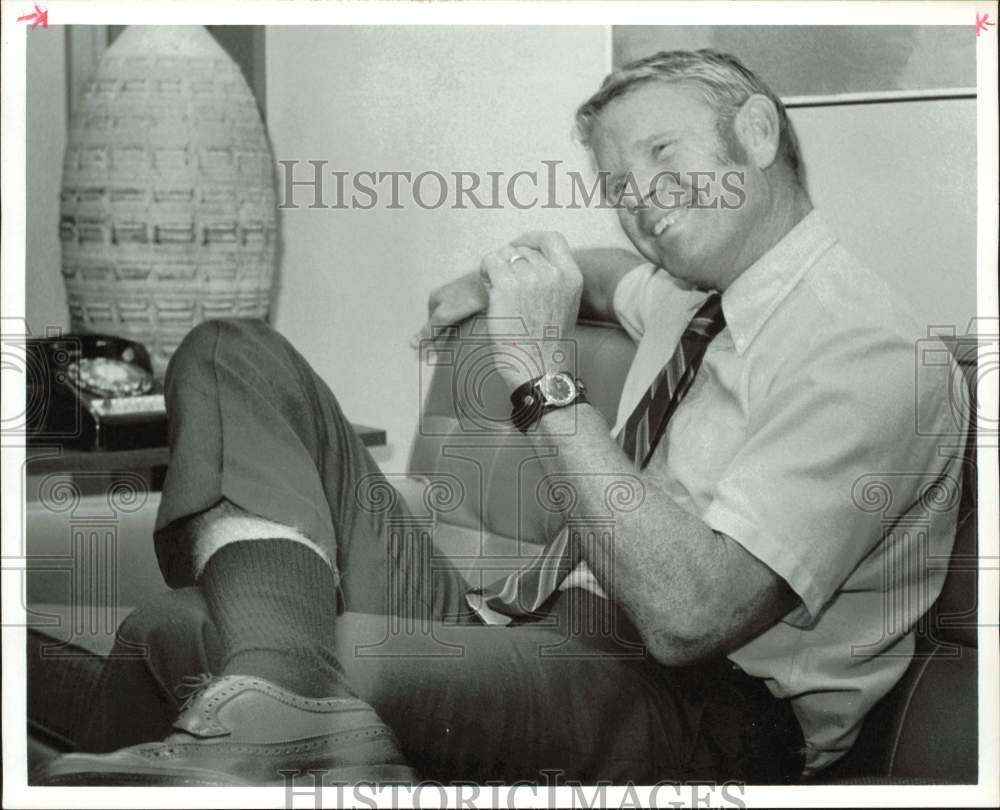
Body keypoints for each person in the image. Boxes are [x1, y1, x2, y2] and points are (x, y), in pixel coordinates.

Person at [37, 49, 964, 787]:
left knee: (189, 628)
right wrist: (483, 280)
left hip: (707, 710)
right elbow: (604, 271)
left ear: (757, 133)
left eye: (663, 155)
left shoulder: (866, 354)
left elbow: (689, 617)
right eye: (617, 180)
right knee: (233, 348)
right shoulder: (698, 295)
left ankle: (279, 695)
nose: (638, 197)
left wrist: (544, 376)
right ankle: (281, 695)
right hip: (532, 631)